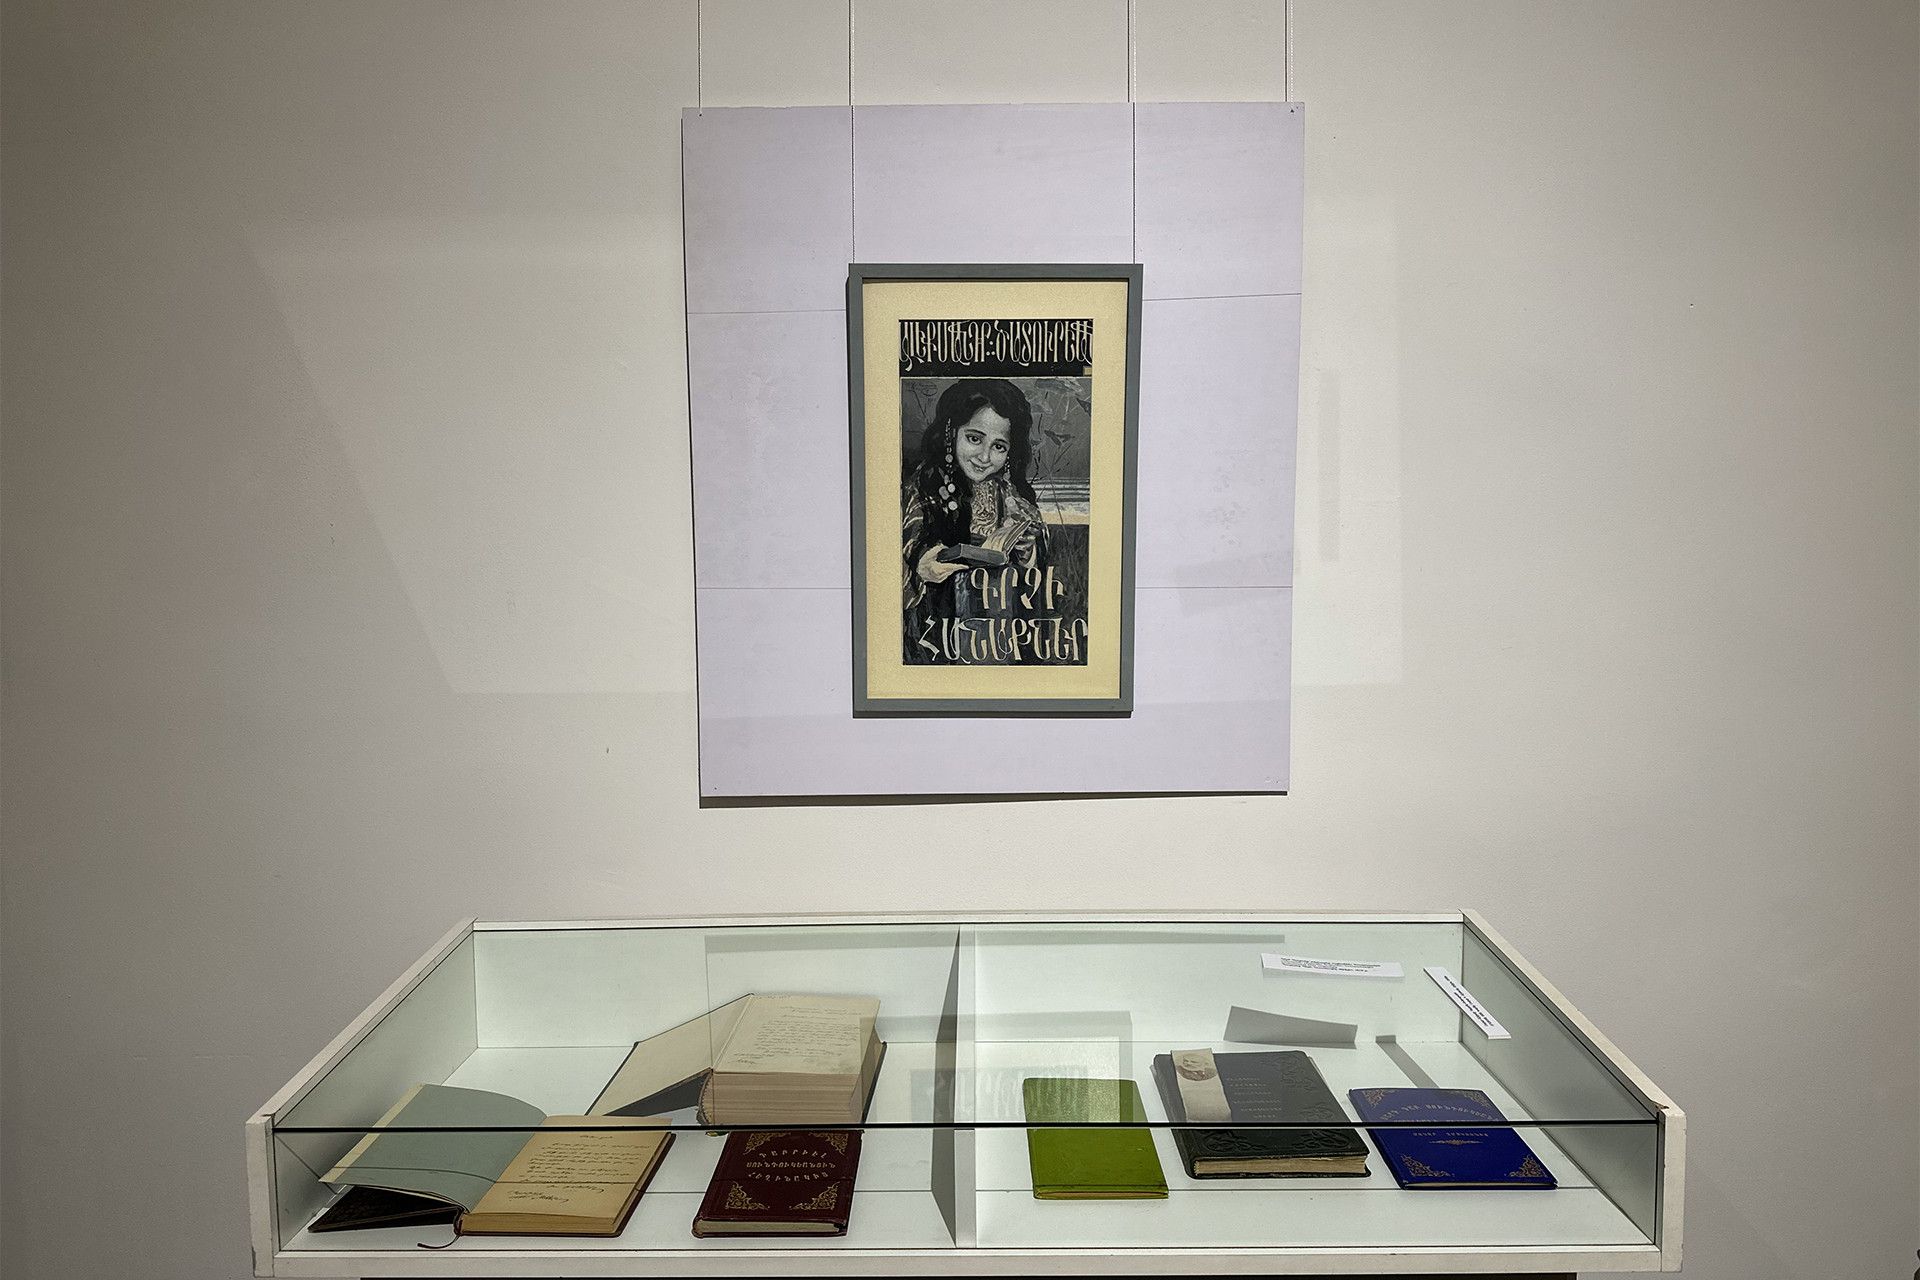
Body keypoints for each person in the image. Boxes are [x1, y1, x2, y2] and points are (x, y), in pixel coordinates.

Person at [901, 378, 1048, 663]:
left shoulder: (1011, 495)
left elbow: (1036, 567)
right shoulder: (923, 486)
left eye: (999, 446)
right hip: (939, 626)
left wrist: (1027, 549)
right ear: (950, 432)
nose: (984, 457)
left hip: (999, 625)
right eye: (974, 439)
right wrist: (923, 561)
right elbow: (911, 537)